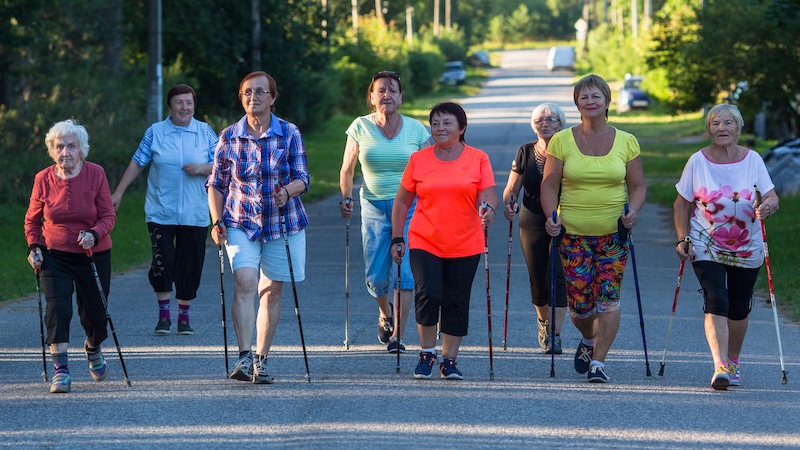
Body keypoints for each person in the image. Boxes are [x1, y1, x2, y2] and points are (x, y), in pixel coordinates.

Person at [540, 74, 646, 383]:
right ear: (576, 104)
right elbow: (549, 184)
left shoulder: (627, 141)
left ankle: (599, 361)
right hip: (572, 234)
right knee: (580, 306)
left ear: (607, 102)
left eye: (596, 96)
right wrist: (551, 216)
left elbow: (638, 186)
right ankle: (588, 339)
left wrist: (633, 213)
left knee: (609, 299)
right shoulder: (561, 140)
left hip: (614, 235)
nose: (590, 101)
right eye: (584, 97)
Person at [207, 71, 310, 384]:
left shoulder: (289, 132)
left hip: (283, 223)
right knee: (246, 281)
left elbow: (302, 178)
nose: (254, 97)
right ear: (242, 98)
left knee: (271, 291)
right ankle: (243, 356)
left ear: (273, 97)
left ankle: (261, 360)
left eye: (261, 92)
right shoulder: (229, 136)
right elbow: (216, 183)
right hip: (241, 220)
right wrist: (216, 219)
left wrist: (287, 191)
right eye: (248, 92)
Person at [673, 104, 778, 390]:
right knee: (717, 298)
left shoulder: (753, 159)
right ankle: (720, 366)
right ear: (709, 129)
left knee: (739, 306)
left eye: (728, 123)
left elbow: (771, 196)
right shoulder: (697, 161)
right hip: (705, 242)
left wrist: (766, 207)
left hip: (747, 244)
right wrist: (683, 237)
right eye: (716, 123)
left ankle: (733, 359)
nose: (722, 128)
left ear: (739, 129)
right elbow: (682, 203)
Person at [392, 102, 498, 380]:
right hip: (425, 239)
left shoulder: (478, 158)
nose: (440, 128)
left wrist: (488, 208)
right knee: (429, 293)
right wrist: (396, 236)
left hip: (466, 242)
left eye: (447, 123)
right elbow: (403, 201)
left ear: (461, 128)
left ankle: (449, 360)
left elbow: (488, 192)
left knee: (456, 300)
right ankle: (427, 352)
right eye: (435, 123)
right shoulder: (419, 159)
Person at [111, 84, 218, 336]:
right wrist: (118, 192)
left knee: (189, 265)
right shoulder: (155, 132)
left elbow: (222, 164)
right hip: (161, 210)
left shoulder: (205, 132)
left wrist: (202, 169)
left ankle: (184, 317)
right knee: (163, 263)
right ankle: (164, 316)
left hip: (195, 212)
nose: (184, 107)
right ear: (169, 106)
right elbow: (138, 162)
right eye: (179, 102)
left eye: (189, 103)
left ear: (194, 106)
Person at [339, 70, 431, 353]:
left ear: (401, 97)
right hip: (374, 207)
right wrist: (346, 197)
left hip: (410, 207)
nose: (387, 95)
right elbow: (347, 169)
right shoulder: (360, 127)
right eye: (381, 90)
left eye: (392, 90)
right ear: (371, 97)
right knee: (377, 277)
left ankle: (397, 338)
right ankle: (385, 312)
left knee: (404, 275)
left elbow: (430, 170)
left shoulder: (416, 130)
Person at [24, 119, 117, 394]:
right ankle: (61, 370)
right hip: (55, 254)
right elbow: (32, 221)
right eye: (60, 146)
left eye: (71, 146)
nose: (66, 152)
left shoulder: (96, 174)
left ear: (81, 150)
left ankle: (93, 346)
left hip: (93, 254)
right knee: (58, 308)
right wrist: (34, 247)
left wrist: (94, 233)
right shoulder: (43, 179)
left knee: (96, 315)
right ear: (53, 151)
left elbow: (108, 215)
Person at [502, 102, 568, 355]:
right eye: (540, 120)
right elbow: (512, 188)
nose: (546, 123)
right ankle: (544, 322)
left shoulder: (570, 150)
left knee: (558, 276)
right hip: (531, 221)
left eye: (552, 119)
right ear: (533, 125)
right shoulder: (525, 151)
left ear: (562, 124)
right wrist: (509, 203)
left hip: (563, 219)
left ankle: (556, 334)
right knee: (538, 277)